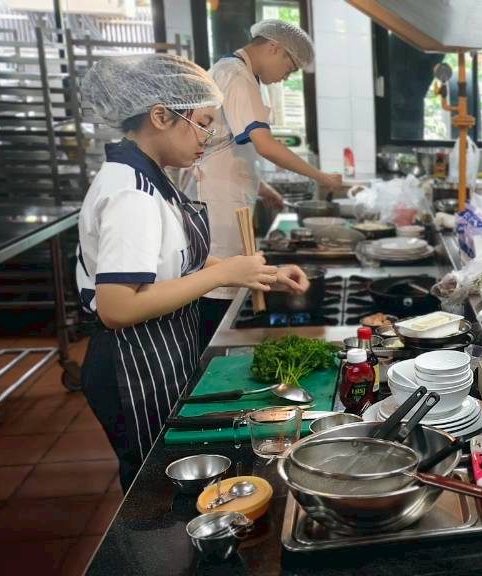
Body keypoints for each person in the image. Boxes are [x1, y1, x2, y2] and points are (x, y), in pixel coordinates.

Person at [76, 54, 310, 490]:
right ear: (161, 116)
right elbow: (117, 307)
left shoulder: (154, 178)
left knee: (180, 469)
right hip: (134, 367)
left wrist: (261, 273)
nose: (210, 136)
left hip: (158, 351)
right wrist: (222, 276)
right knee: (156, 488)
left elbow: (182, 259)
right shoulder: (132, 194)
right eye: (203, 123)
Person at [183, 19, 343, 347]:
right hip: (215, 203)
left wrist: (263, 189)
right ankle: (211, 356)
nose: (287, 76)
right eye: (290, 66)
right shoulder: (236, 75)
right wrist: (320, 176)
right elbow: (264, 144)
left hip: (223, 197)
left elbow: (229, 147)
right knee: (218, 288)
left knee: (228, 279)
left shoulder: (238, 73)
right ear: (273, 47)